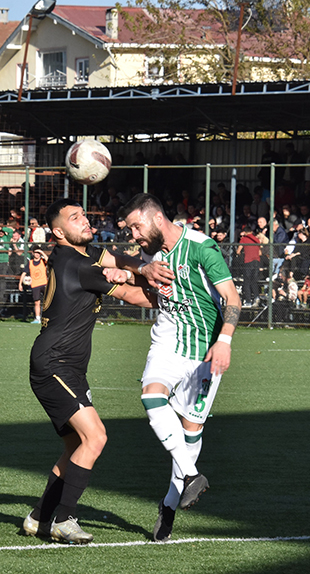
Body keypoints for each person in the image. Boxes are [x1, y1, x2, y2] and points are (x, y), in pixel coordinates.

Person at [22, 199, 155, 545]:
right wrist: (172, 289)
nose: (84, 220)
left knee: (75, 446)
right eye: (74, 218)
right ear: (58, 232)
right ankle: (64, 520)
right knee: (95, 437)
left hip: (67, 367)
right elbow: (135, 296)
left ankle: (39, 518)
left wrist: (141, 266)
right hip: (55, 365)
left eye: (83, 215)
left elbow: (120, 259)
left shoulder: (84, 256)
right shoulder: (77, 264)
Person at [118, 192, 240, 542]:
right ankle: (191, 475)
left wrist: (225, 341)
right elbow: (137, 272)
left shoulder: (203, 248)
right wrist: (133, 271)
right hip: (168, 341)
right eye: (130, 229)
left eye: (137, 227)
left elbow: (233, 299)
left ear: (157, 219)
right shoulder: (149, 252)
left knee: (190, 433)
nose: (134, 235)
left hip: (205, 349)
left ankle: (170, 504)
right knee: (151, 397)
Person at [18, 246, 48, 324]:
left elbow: (48, 260)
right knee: (37, 302)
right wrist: (20, 284)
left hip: (44, 284)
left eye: (39, 253)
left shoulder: (43, 261)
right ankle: (37, 318)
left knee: (47, 302)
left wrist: (42, 253)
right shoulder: (30, 263)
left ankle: (48, 317)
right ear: (33, 253)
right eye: (36, 253)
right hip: (35, 285)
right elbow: (24, 273)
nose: (37, 254)